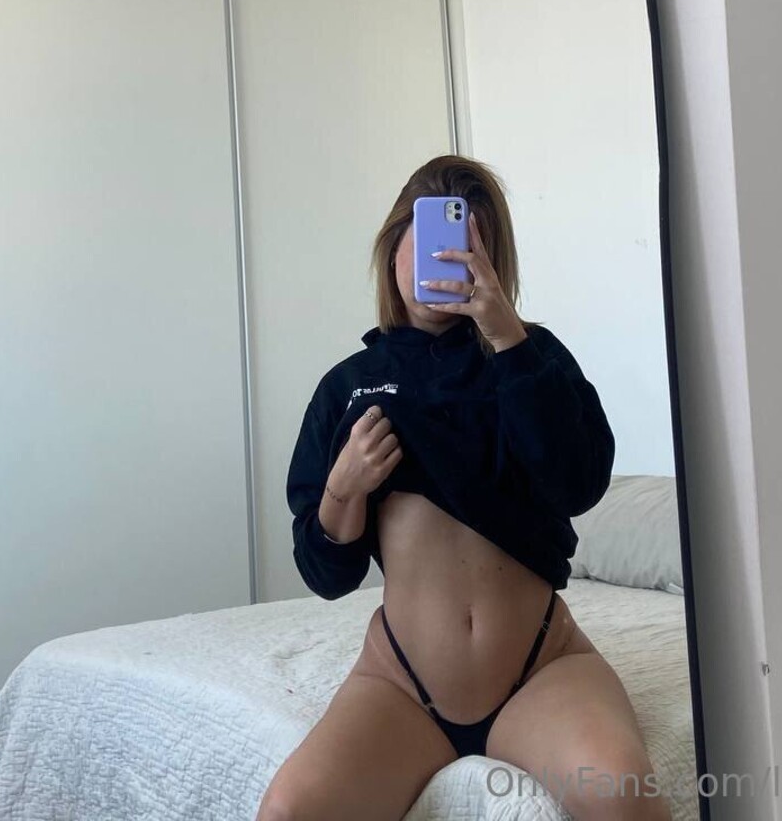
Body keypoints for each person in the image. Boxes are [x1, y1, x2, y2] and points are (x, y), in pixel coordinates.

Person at [255, 155, 672, 821]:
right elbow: (325, 574)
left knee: (623, 797)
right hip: (402, 684)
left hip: (540, 669)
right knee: (289, 813)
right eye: (426, 238)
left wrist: (506, 333)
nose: (441, 258)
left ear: (490, 259)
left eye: (464, 243)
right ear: (394, 245)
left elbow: (578, 484)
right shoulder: (348, 386)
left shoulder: (531, 355)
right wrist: (343, 489)